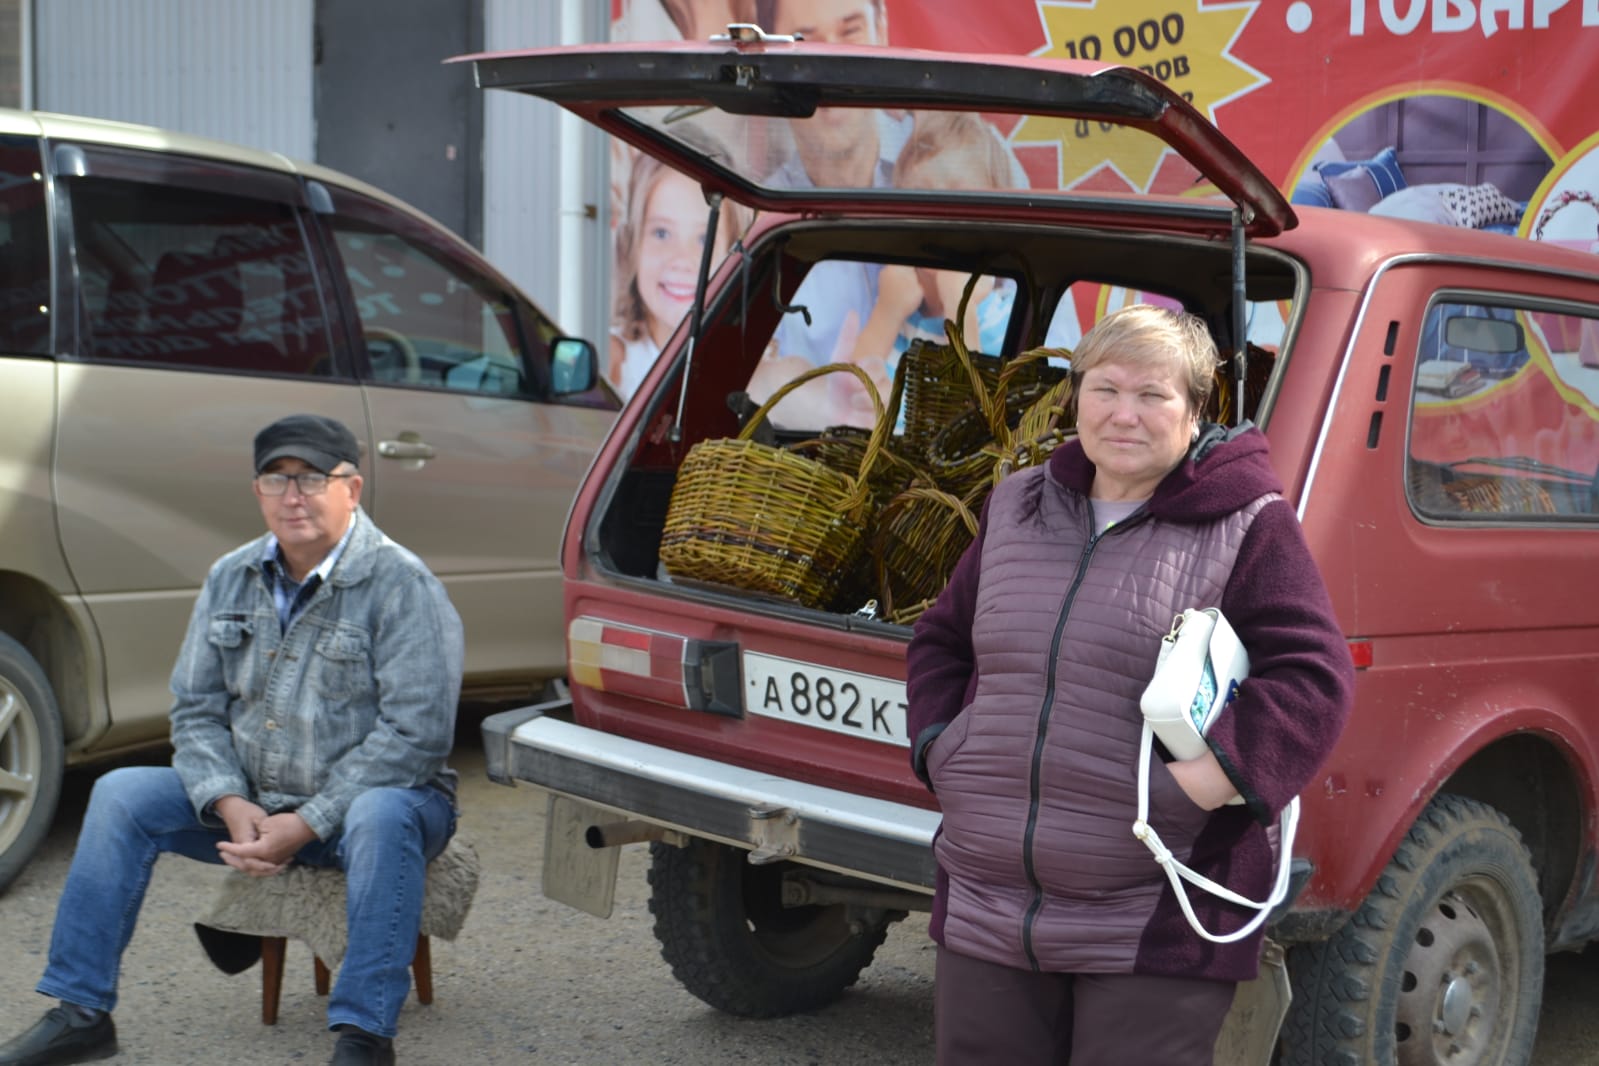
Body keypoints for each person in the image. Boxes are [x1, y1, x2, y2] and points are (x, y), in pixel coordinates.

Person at [905, 305, 1355, 1065]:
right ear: (1073, 396)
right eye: (1104, 389)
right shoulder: (1017, 504)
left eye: (1152, 395)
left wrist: (1215, 778)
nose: (1123, 414)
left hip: (1154, 908)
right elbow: (942, 638)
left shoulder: (1247, 522)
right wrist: (942, 748)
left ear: (1194, 409)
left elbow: (1312, 677)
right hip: (988, 897)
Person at [0, 414, 464, 1066]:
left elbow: (416, 738)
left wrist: (305, 822)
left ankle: (364, 1036)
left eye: (311, 478)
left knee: (381, 811)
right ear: (257, 492)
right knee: (120, 794)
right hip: (257, 799)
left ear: (352, 488)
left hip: (387, 805)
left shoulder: (400, 584)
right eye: (276, 479)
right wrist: (226, 801)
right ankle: (81, 1011)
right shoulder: (230, 576)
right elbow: (194, 712)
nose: (292, 496)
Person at [843, 111, 1020, 417]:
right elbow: (847, 396)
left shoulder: (1002, 321)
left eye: (961, 204)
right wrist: (887, 313)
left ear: (994, 232)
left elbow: (974, 418)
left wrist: (957, 304)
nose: (940, 222)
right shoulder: (894, 306)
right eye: (922, 202)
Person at [610, 133, 748, 399]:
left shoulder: (753, 365)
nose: (682, 260)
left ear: (733, 252)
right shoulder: (614, 362)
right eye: (661, 233)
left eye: (704, 238)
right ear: (632, 244)